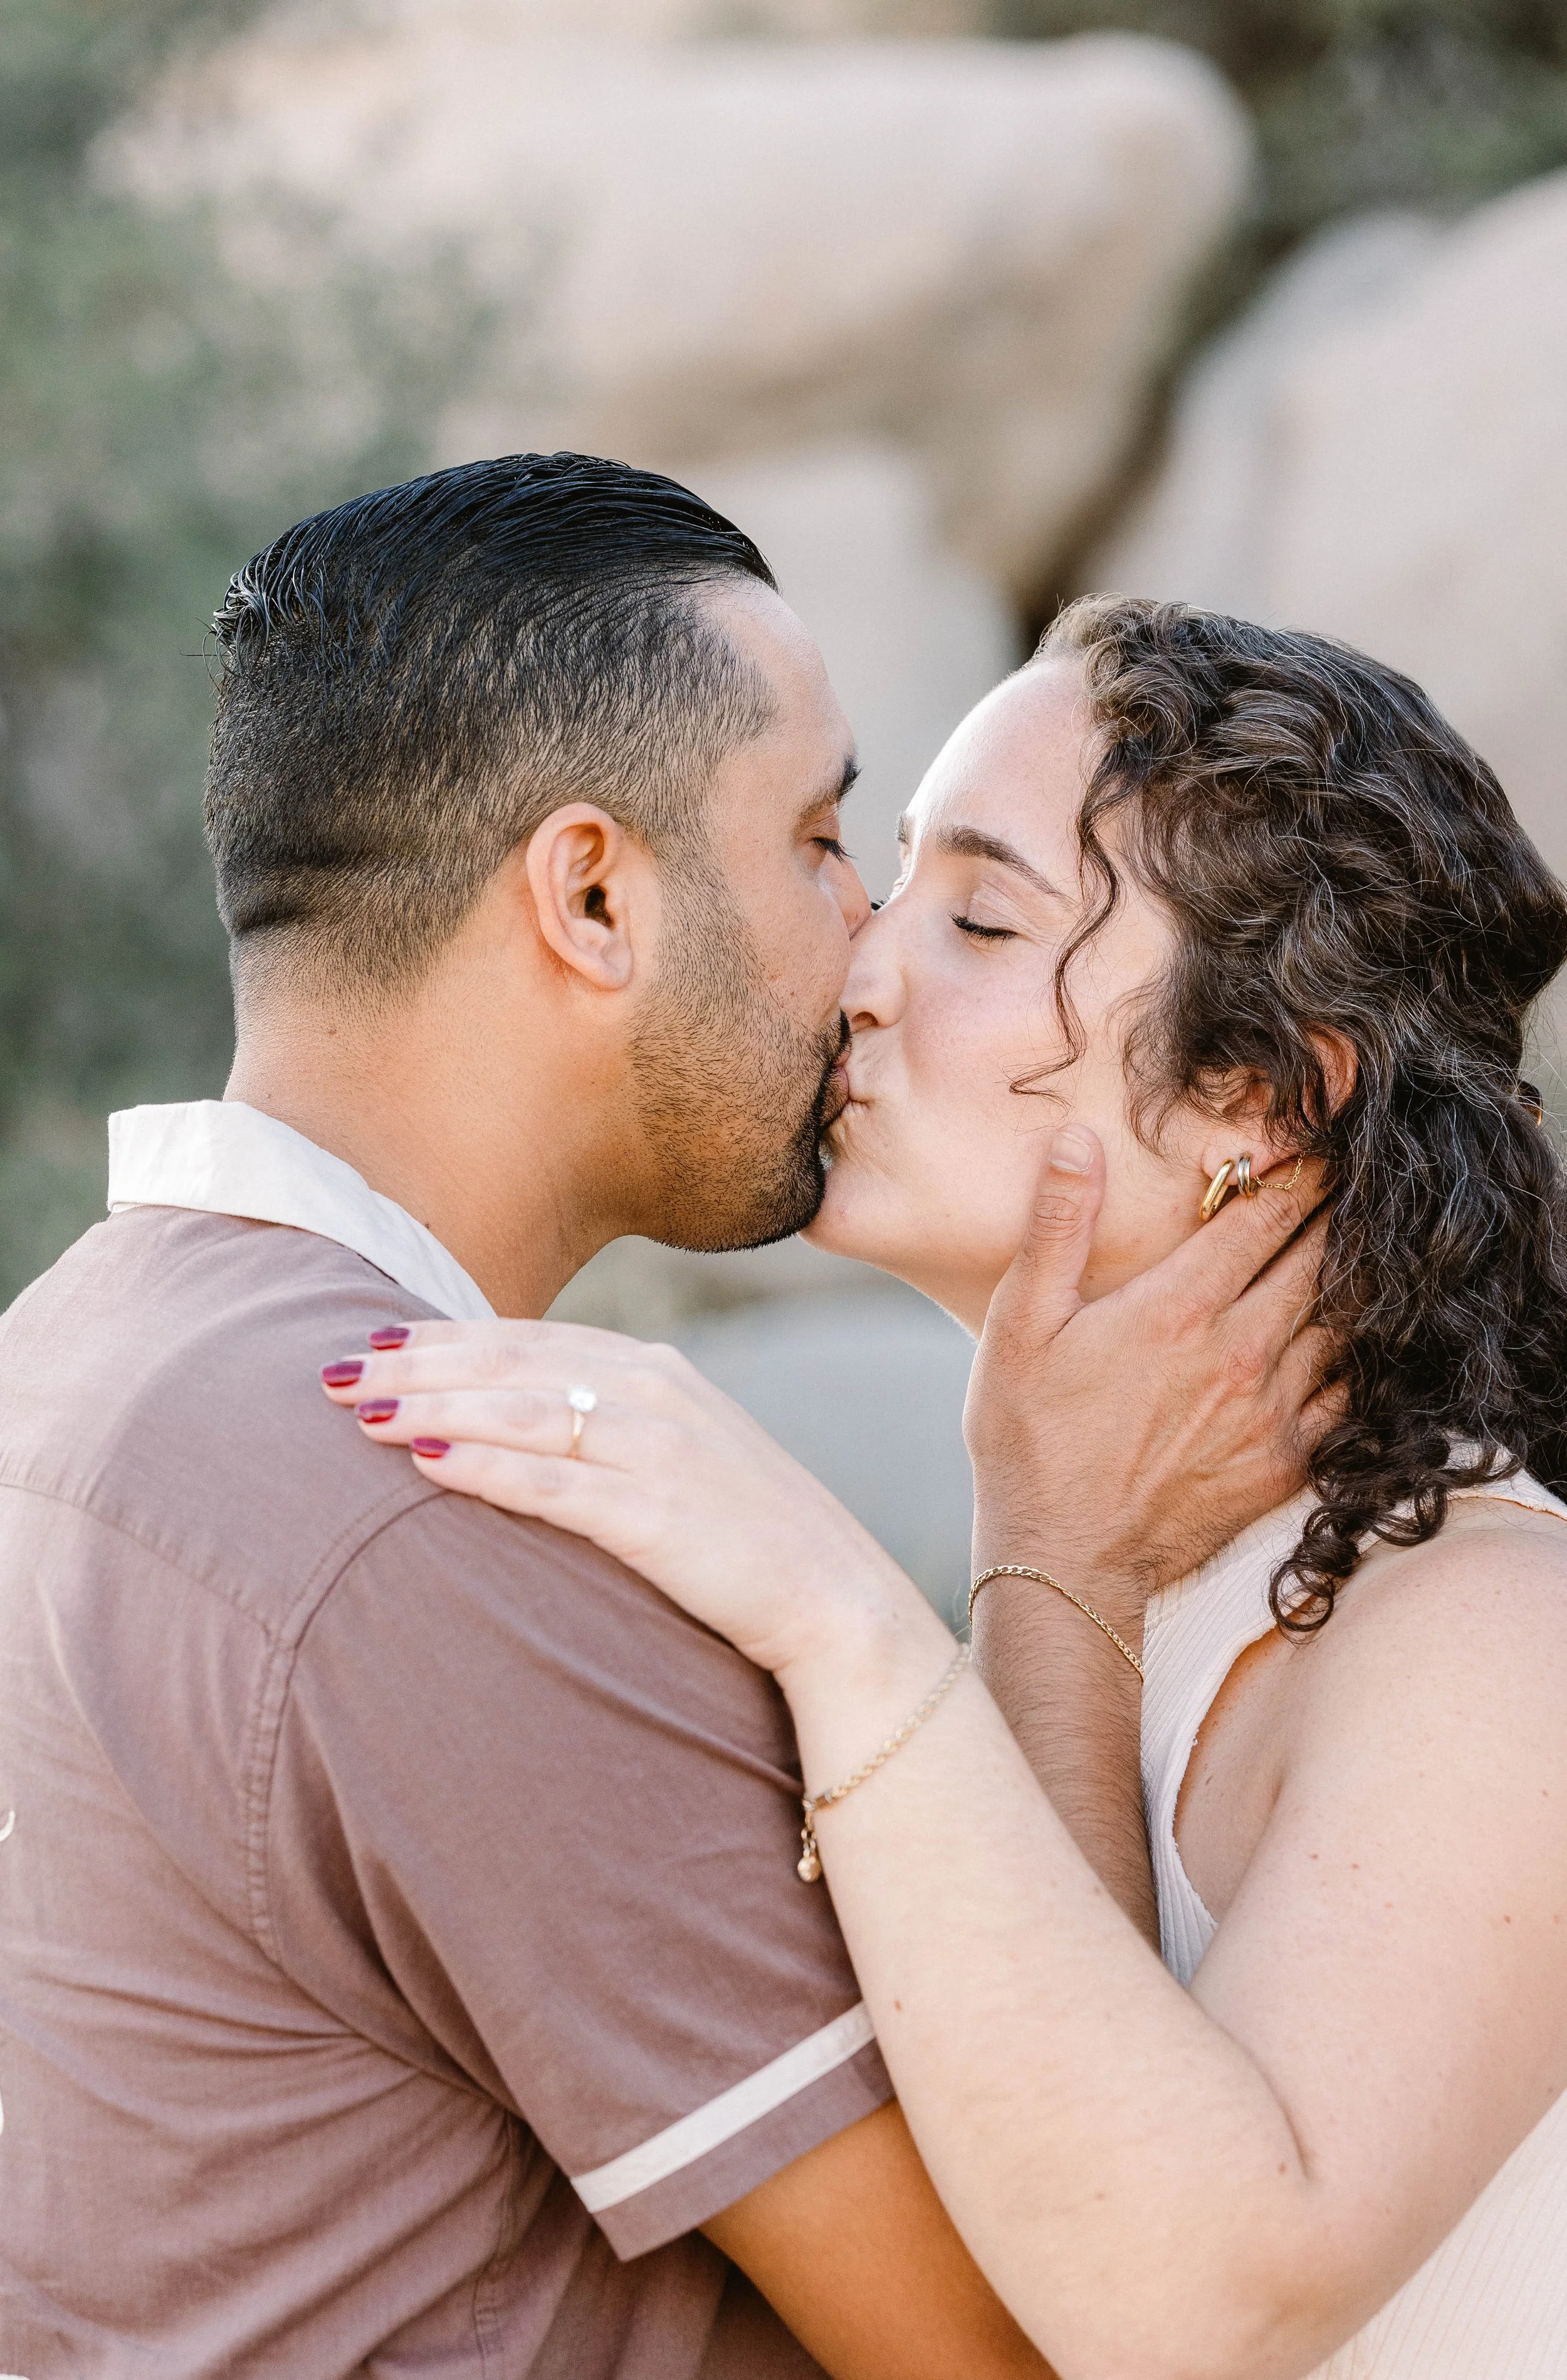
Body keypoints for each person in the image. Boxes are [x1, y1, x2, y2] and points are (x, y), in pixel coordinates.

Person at [0, 471, 1323, 2380]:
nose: (866, 948)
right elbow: (1042, 2335)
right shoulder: (437, 1510)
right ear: (594, 895)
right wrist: (1053, 1557)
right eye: (815, 839)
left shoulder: (71, 1364)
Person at [335, 597, 1567, 2380]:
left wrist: (835, 1608)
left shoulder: (1488, 1628)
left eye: (981, 915)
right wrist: (1037, 1557)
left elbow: (1184, 2308)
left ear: (1254, 1093)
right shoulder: (1145, 1578)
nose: (859, 968)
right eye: (888, 874)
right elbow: (1014, 2241)